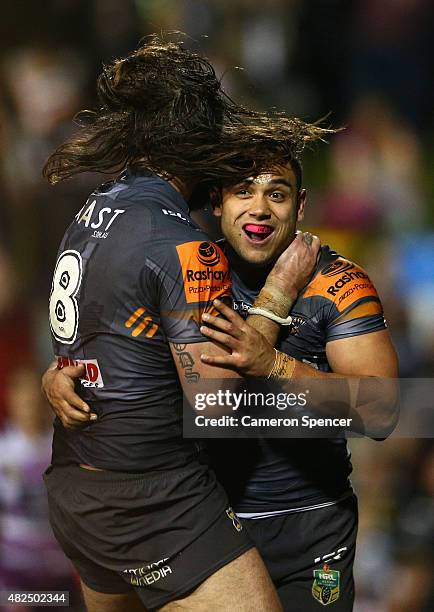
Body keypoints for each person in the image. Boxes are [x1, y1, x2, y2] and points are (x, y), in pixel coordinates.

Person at [41, 35, 328, 612]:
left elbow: (108, 333)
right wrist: (275, 300)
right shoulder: (184, 247)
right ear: (191, 144)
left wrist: (56, 375)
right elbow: (215, 404)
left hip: (76, 487)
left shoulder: (93, 211)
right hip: (153, 499)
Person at [48, 157, 399, 611]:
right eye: (243, 192)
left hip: (309, 531)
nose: (259, 208)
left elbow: (385, 411)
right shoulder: (186, 268)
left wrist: (273, 364)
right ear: (216, 200)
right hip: (205, 524)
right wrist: (59, 378)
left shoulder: (338, 284)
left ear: (301, 205)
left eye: (277, 194)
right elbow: (125, 362)